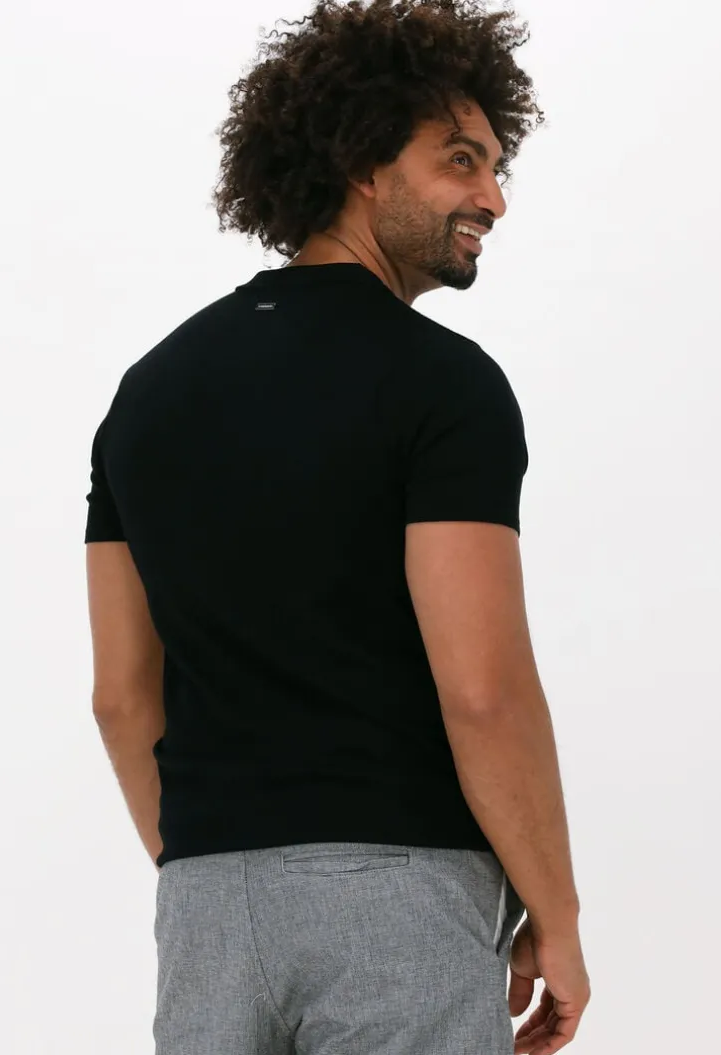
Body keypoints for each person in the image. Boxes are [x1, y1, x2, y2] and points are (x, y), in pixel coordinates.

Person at [85, 1, 591, 1052]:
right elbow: (485, 691)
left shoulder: (147, 394)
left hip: (206, 906)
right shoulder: (442, 385)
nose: (493, 197)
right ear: (364, 160)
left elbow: (121, 696)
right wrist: (558, 913)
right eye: (461, 160)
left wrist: (206, 866)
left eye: (497, 167)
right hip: (401, 896)